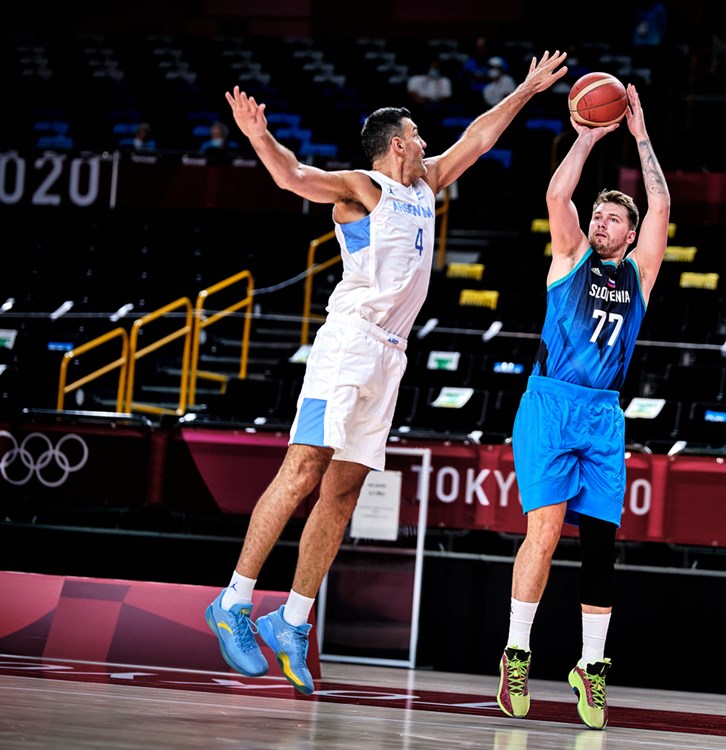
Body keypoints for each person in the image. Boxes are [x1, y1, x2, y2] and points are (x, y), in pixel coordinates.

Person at [205, 49, 569, 696]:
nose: (428, 142)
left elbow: (478, 139)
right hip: (348, 345)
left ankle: (292, 619)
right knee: (303, 471)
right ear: (397, 144)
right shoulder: (360, 188)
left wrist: (527, 91)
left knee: (342, 492)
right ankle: (232, 600)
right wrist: (261, 136)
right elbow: (294, 177)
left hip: (390, 355)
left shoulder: (425, 182)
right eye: (419, 136)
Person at [495, 83, 670, 730]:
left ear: (628, 234)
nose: (600, 221)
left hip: (602, 414)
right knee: (542, 534)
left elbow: (662, 207)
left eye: (612, 218)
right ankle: (517, 652)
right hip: (549, 403)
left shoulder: (640, 276)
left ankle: (590, 669)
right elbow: (556, 196)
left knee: (600, 544)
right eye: (597, 214)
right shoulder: (568, 257)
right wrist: (591, 135)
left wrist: (641, 135)